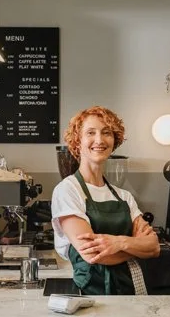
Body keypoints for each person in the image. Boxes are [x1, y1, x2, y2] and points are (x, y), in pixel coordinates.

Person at [51, 106, 160, 295]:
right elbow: (92, 254)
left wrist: (119, 243)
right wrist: (136, 246)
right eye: (90, 133)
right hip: (90, 294)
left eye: (107, 133)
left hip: (131, 290)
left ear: (114, 141)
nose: (100, 140)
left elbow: (154, 247)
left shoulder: (124, 196)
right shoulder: (67, 190)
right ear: (78, 142)